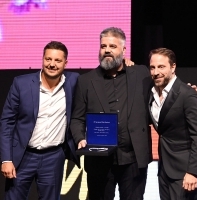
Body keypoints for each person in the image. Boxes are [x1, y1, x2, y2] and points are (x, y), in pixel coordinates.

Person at [70, 27, 153, 200]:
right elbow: (77, 118)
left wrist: (188, 90)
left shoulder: (141, 73)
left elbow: (163, 90)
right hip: (99, 160)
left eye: (112, 46)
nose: (107, 50)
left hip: (133, 159)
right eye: (103, 46)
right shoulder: (85, 81)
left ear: (123, 50)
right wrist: (79, 138)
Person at [0, 41, 80, 200]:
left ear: (66, 63)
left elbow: (99, 75)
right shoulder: (21, 84)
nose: (52, 64)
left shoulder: (73, 81)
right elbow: (6, 123)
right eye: (48, 59)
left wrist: (125, 62)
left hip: (54, 156)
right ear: (42, 59)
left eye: (57, 60)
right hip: (22, 156)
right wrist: (6, 159)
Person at [149, 48, 197, 200]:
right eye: (152, 67)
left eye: (161, 67)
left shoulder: (187, 94)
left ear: (173, 67)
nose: (156, 72)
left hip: (184, 173)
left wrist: (193, 172)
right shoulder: (151, 93)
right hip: (164, 170)